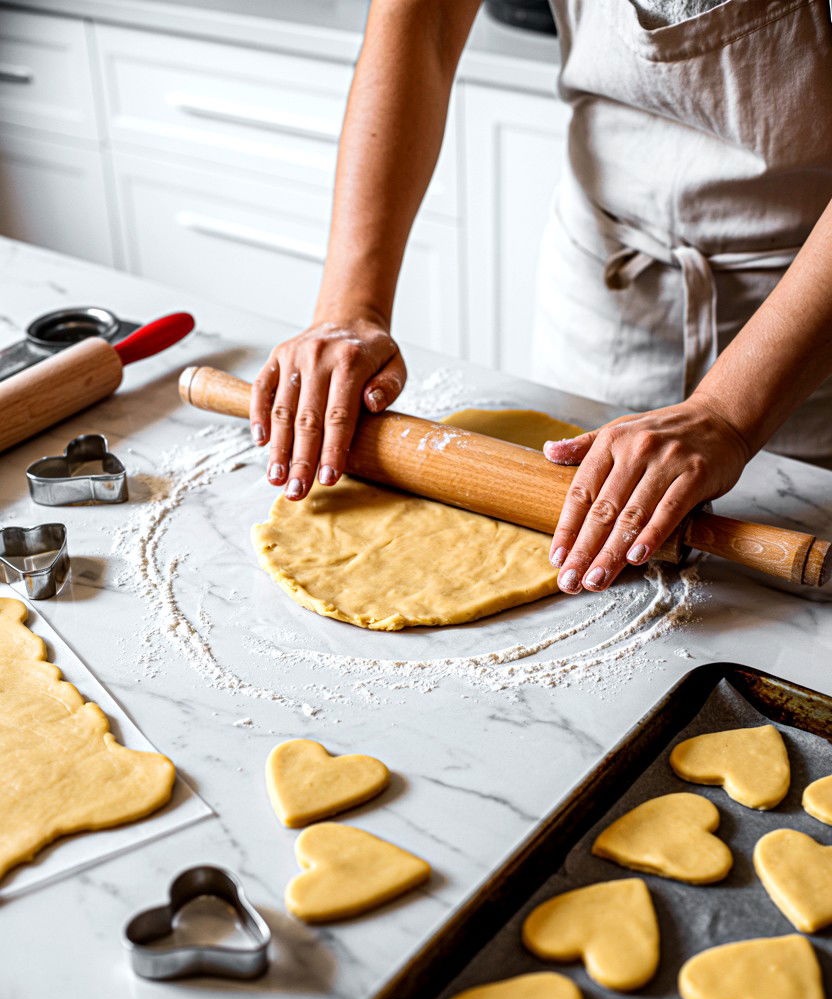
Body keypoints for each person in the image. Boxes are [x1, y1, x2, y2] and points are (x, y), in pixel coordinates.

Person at [248, 0, 832, 595]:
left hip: (804, 323)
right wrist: (351, 309)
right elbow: (420, 25)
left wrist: (730, 417)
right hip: (605, 274)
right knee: (577, 498)